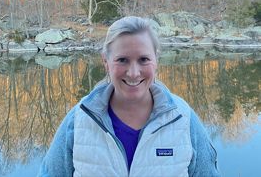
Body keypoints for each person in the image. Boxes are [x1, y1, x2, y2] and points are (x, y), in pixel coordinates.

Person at [38, 16, 221, 177]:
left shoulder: (183, 119)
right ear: (106, 62)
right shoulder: (79, 119)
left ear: (156, 60)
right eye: (122, 60)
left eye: (143, 59)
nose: (133, 73)